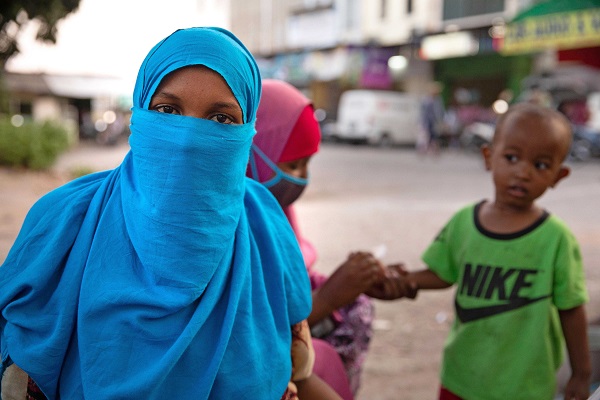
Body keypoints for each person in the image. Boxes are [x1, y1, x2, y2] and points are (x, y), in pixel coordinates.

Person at [0, 27, 318, 399]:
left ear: (248, 129)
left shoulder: (266, 224)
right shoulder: (64, 222)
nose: (187, 139)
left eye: (221, 119)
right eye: (167, 110)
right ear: (139, 110)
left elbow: (297, 369)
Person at [396, 103, 591, 400]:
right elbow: (442, 273)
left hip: (526, 386)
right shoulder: (464, 222)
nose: (523, 173)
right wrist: (405, 280)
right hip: (462, 376)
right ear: (489, 157)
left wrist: (582, 373)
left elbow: (572, 309)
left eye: (540, 165)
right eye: (511, 158)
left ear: (558, 176)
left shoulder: (556, 239)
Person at [247, 79, 407, 397]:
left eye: (307, 165)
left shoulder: (278, 216)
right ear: (251, 153)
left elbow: (296, 279)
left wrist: (359, 280)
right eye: (293, 164)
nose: (301, 178)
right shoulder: (234, 229)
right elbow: (255, 331)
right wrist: (329, 296)